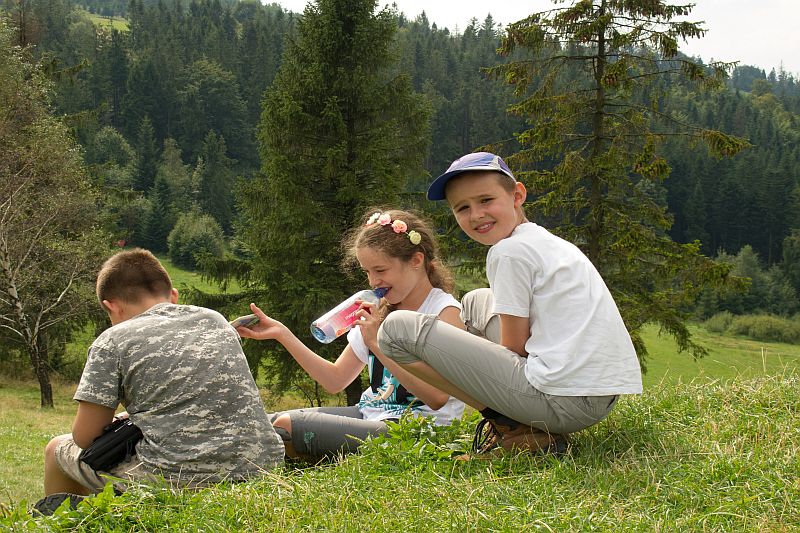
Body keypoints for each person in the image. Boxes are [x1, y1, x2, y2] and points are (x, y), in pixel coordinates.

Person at [377, 152, 643, 457]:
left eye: (486, 200)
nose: (476, 215)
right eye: (462, 208)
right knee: (476, 302)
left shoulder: (508, 253)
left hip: (565, 402)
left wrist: (471, 371)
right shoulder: (545, 241)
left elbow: (514, 348)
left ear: (517, 194)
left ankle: (509, 424)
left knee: (394, 332)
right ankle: (521, 424)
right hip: (597, 396)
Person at [40, 248, 284, 512]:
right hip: (262, 465)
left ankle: (75, 522)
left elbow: (86, 437)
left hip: (179, 478)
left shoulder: (112, 341)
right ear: (174, 296)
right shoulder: (216, 321)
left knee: (56, 448)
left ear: (111, 306)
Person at [236, 209, 465, 460]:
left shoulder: (444, 312)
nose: (373, 281)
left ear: (416, 260)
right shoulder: (379, 311)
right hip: (370, 414)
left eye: (381, 270)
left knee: (287, 425)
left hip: (418, 428)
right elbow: (335, 381)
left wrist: (377, 345)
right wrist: (283, 334)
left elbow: (438, 398)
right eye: (367, 272)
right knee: (262, 422)